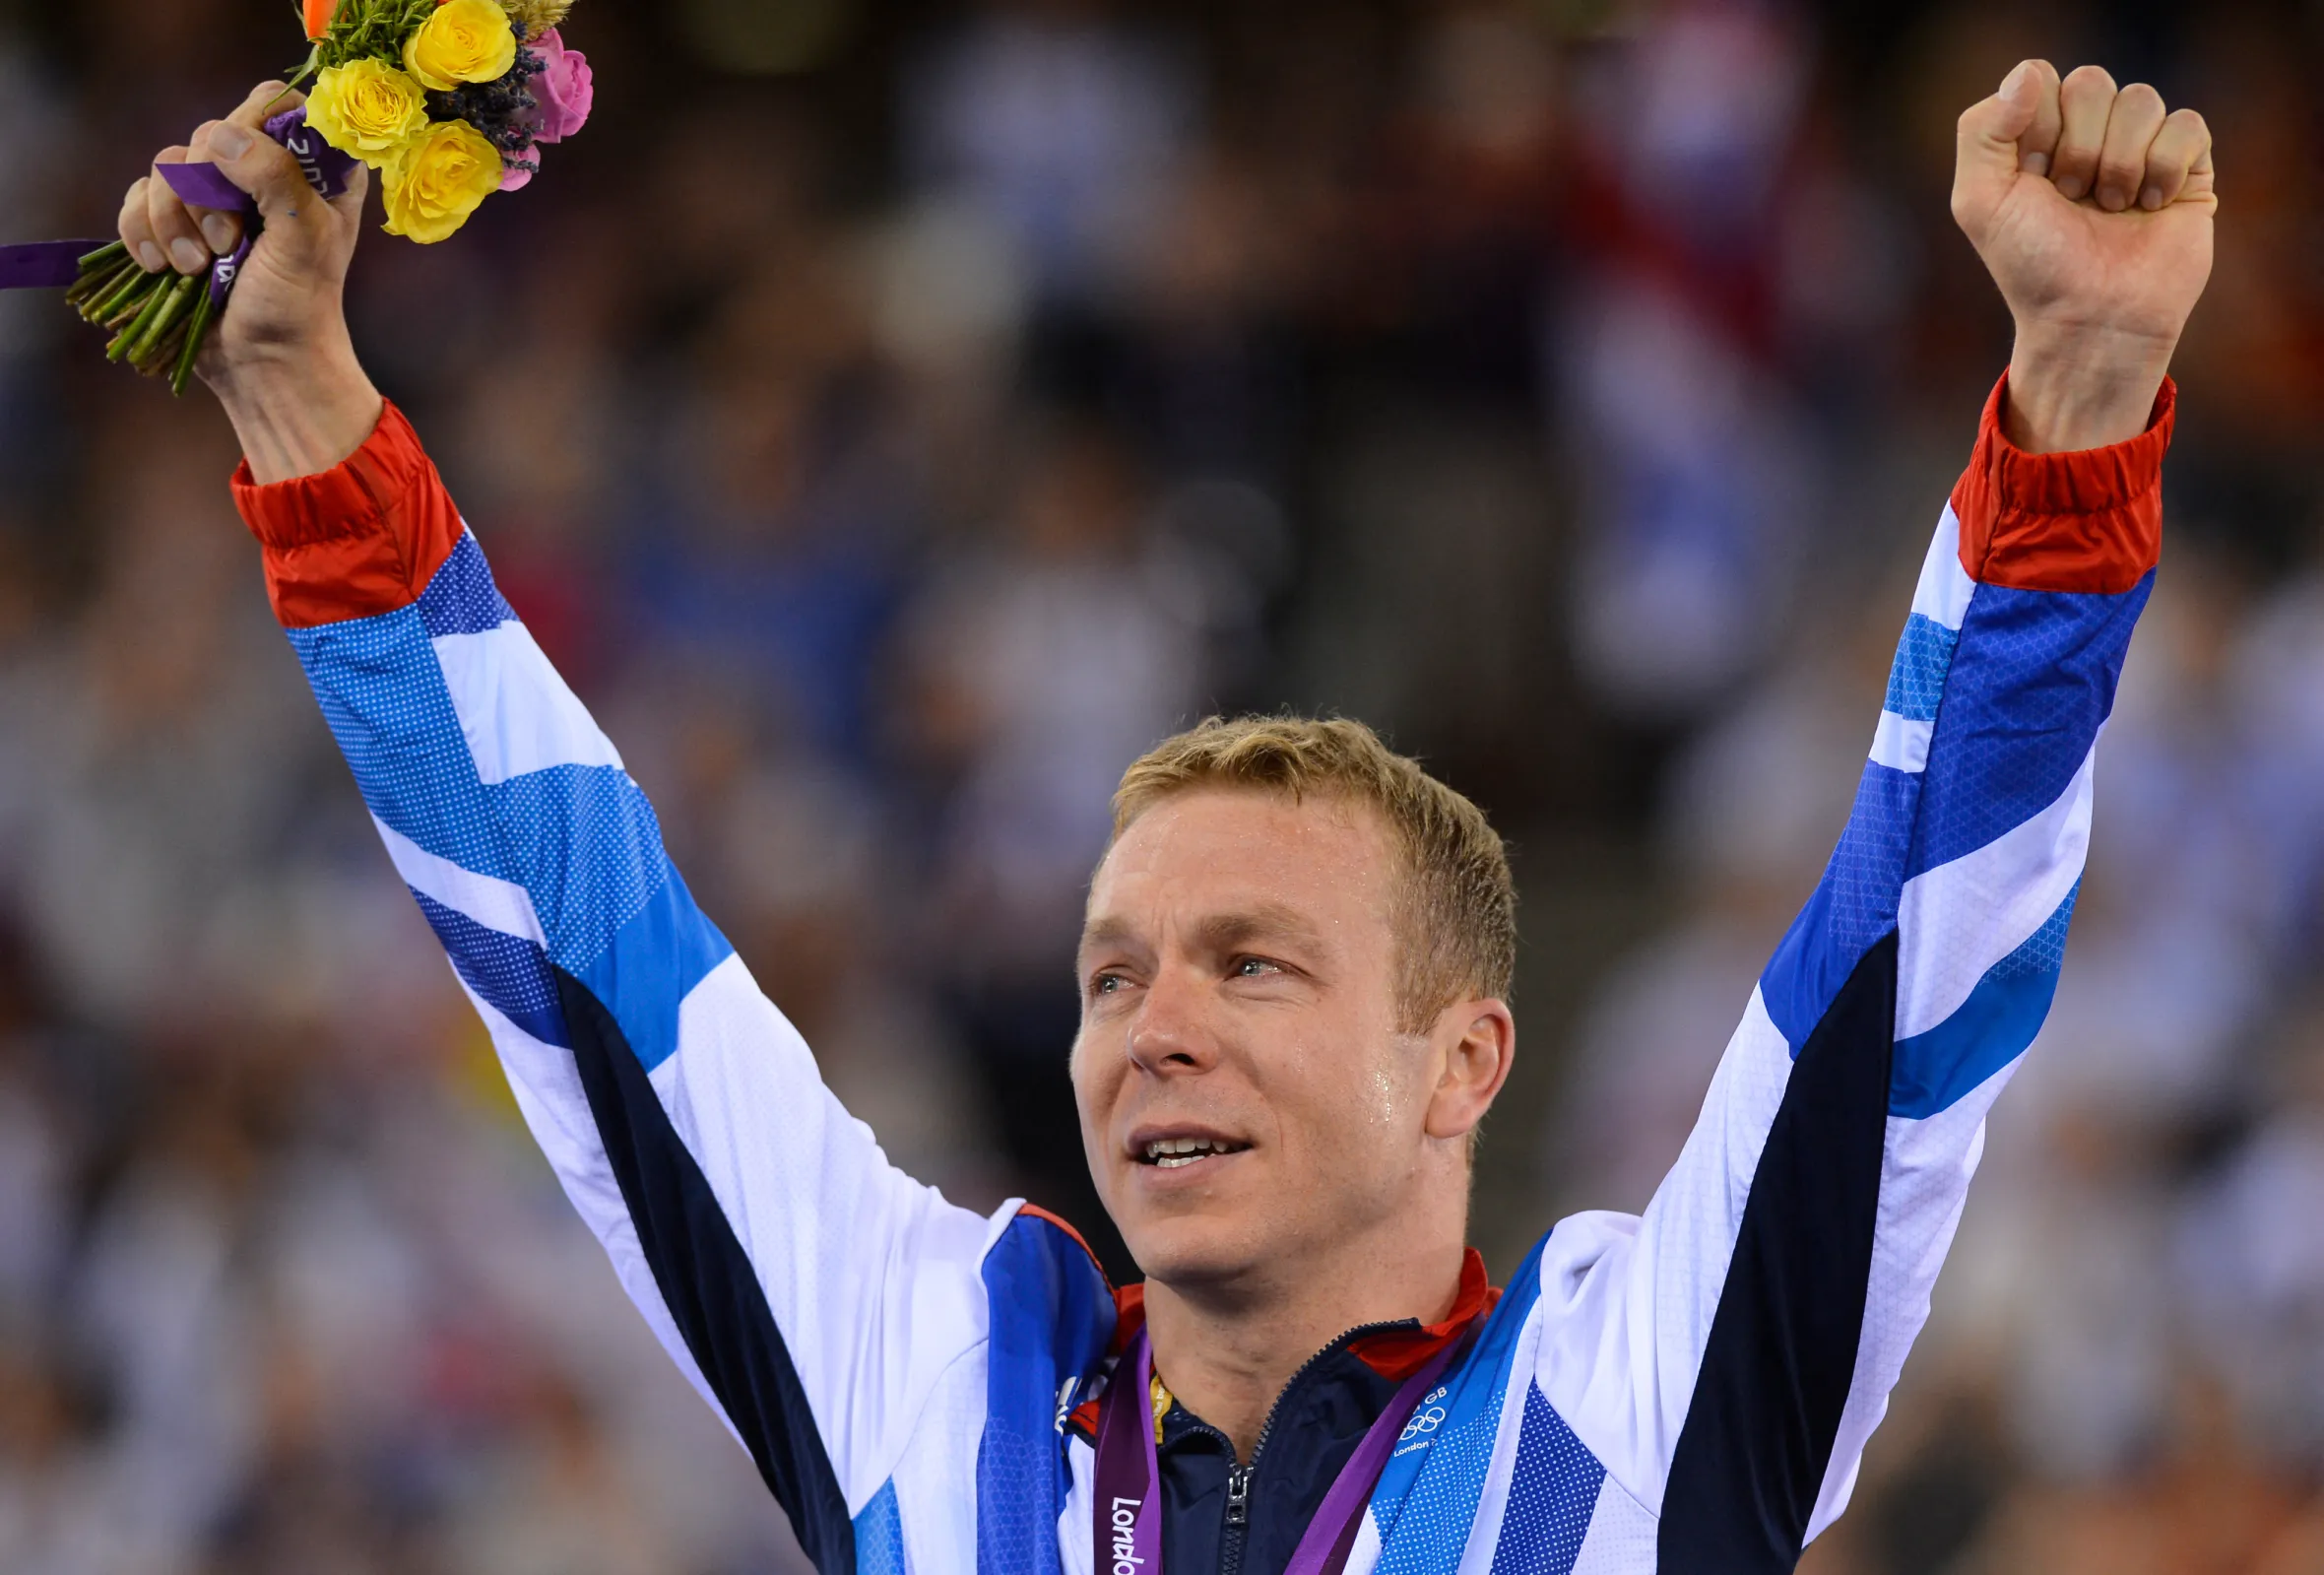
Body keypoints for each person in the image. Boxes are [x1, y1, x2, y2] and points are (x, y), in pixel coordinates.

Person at [110, 57, 2212, 1573]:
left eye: (1253, 962)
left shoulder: (1634, 1398)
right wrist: (302, 401)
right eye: (1115, 972)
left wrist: (2082, 401)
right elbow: (580, 925)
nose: (1148, 1028)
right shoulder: (930, 1378)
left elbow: (1908, 938)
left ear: (1459, 1059)